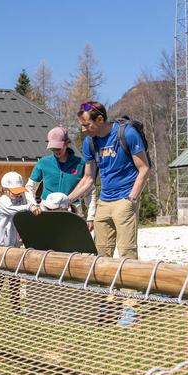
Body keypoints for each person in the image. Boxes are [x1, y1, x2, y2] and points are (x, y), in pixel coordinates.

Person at [66, 101, 150, 259]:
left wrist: (131, 199)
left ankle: (128, 285)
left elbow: (144, 169)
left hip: (125, 200)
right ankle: (104, 285)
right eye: (81, 125)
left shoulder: (127, 133)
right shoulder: (89, 142)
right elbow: (88, 178)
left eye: (86, 125)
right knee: (100, 254)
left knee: (127, 253)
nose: (83, 129)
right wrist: (67, 200)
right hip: (103, 202)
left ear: (99, 119)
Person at [0, 171, 36, 325]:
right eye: (15, 192)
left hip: (14, 246)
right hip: (1, 247)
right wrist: (31, 207)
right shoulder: (4, 200)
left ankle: (16, 310)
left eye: (19, 192)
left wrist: (32, 204)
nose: (17, 195)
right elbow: (15, 211)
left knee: (15, 280)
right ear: (5, 189)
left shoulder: (21, 199)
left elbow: (27, 204)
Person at [25, 126, 97, 230]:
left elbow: (90, 191)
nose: (56, 151)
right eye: (53, 148)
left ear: (67, 143)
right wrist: (33, 205)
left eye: (59, 147)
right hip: (47, 213)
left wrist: (90, 217)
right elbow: (29, 188)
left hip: (72, 212)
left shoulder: (80, 164)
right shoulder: (43, 163)